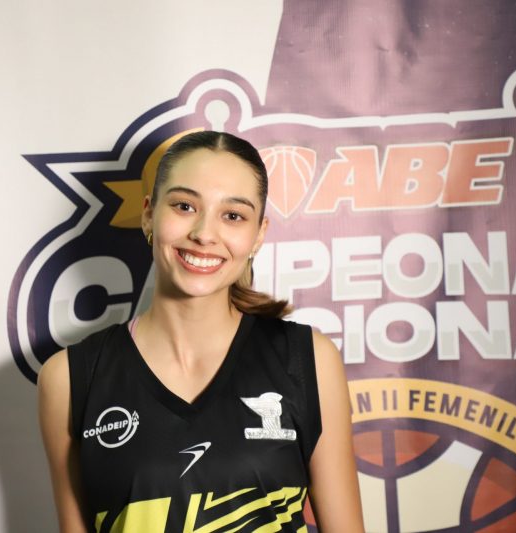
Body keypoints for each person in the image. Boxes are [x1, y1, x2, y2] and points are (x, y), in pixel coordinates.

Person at [38, 131, 365, 532]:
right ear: (148, 214)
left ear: (258, 234)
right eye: (184, 206)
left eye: (233, 216)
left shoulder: (307, 359)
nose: (204, 233)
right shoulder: (70, 379)